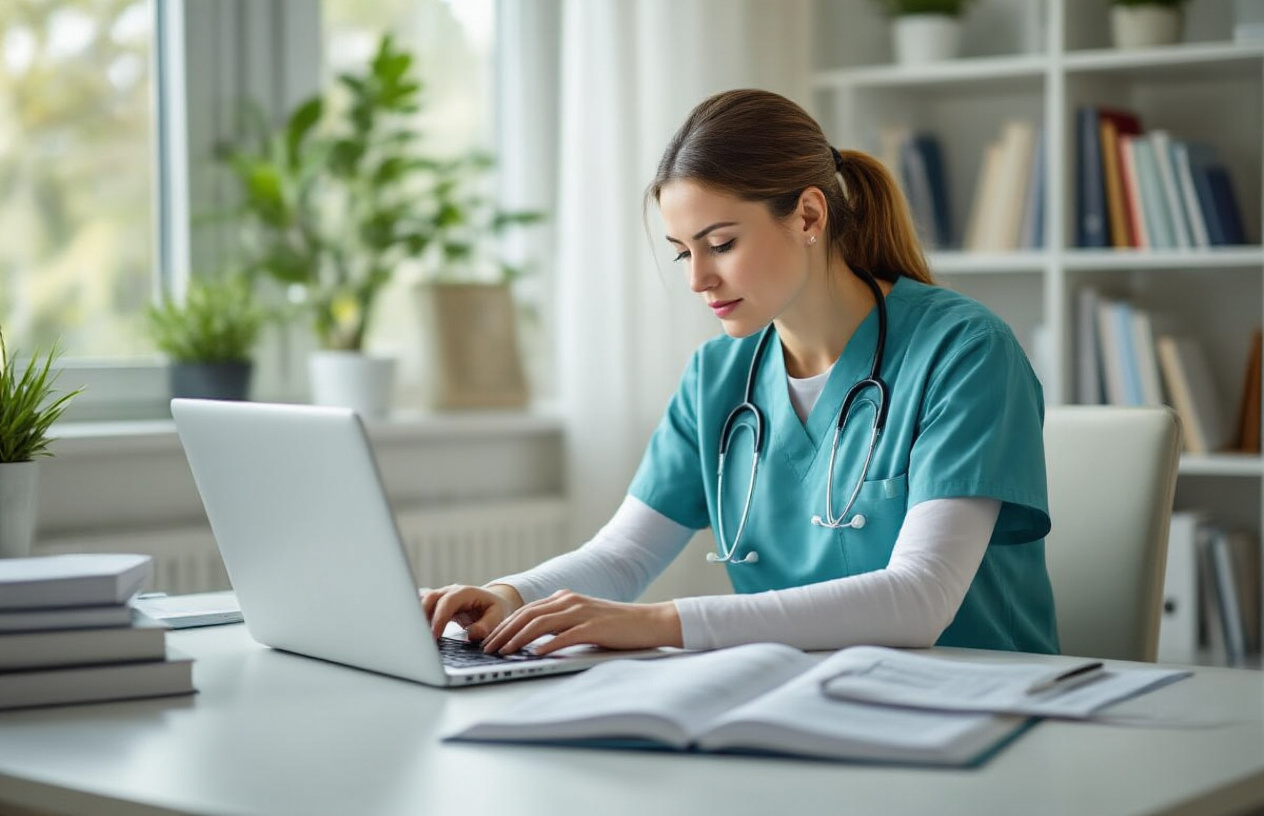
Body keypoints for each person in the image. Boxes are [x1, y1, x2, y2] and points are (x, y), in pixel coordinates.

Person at [423, 88, 1058, 658]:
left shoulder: (965, 351)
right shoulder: (717, 376)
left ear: (809, 217)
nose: (698, 279)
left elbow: (920, 599)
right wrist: (509, 594)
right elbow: (623, 556)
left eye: (720, 244)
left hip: (973, 703)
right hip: (800, 704)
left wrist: (657, 623)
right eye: (683, 253)